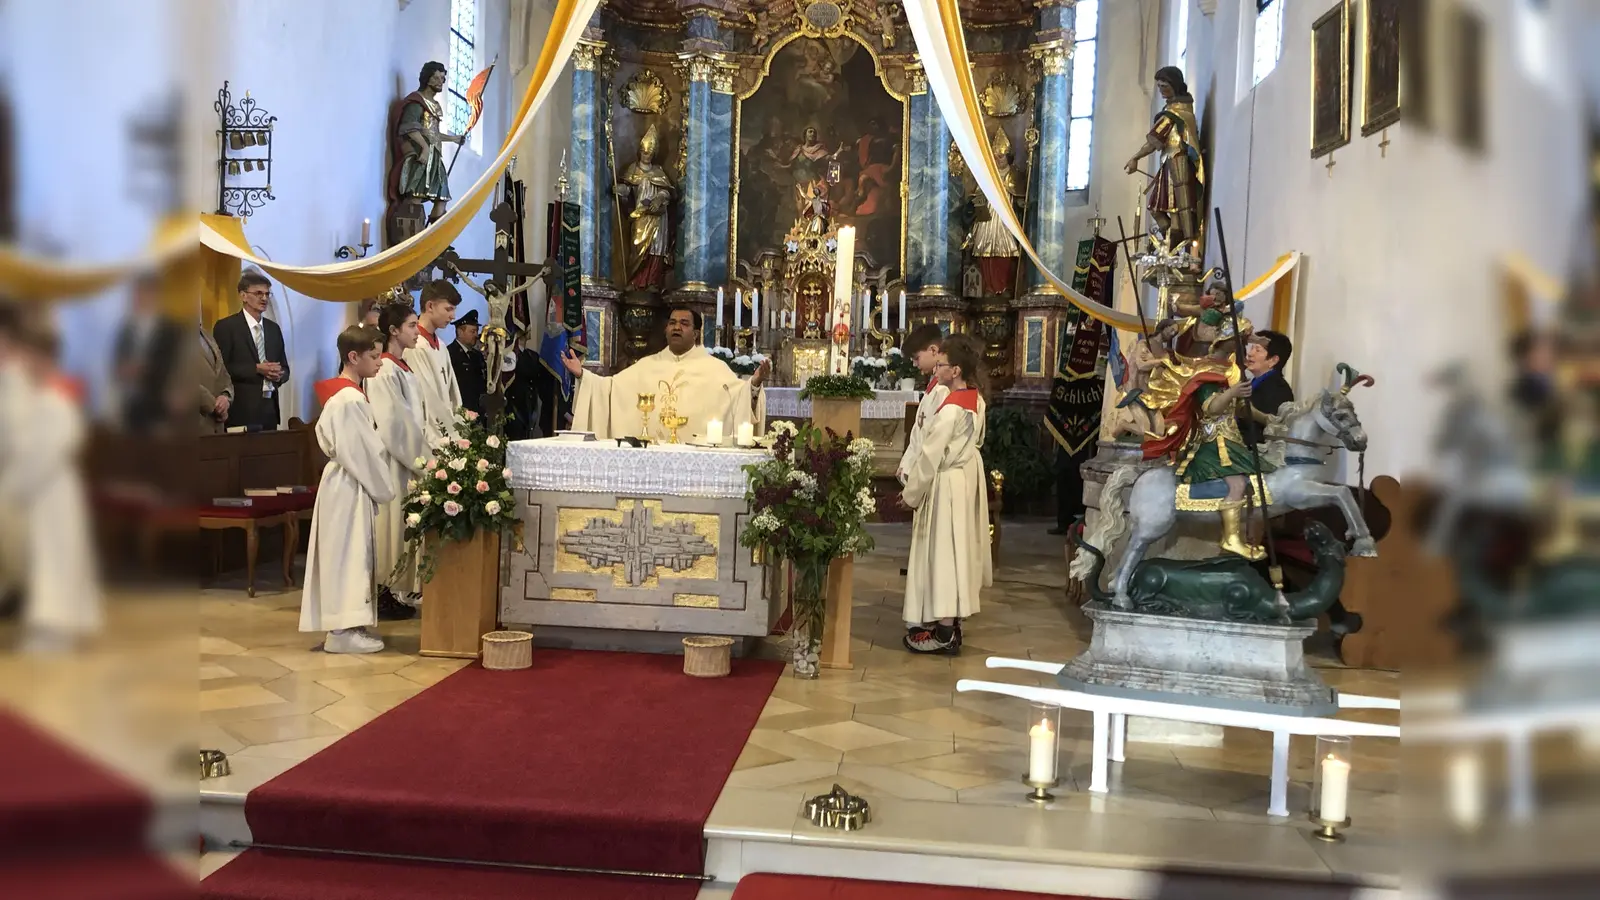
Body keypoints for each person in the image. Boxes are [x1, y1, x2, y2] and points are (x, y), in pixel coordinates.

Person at [0, 314, 101, 651]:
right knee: (33, 562)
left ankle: (54, 629)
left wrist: (13, 487)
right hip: (27, 489)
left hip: (51, 491)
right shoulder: (22, 390)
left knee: (54, 560)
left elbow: (47, 449)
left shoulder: (57, 400)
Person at [1140, 316, 1275, 559]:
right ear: (1227, 341)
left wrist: (1267, 419)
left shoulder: (1232, 369)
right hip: (1213, 439)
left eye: (1243, 341)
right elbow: (1210, 407)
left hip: (1231, 437)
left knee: (1257, 479)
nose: (1241, 347)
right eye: (1239, 341)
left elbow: (1240, 407)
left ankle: (1244, 534)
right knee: (1237, 483)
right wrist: (1233, 391)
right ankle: (1232, 539)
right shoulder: (1207, 369)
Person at [300, 326, 395, 654]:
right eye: (373, 356)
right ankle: (342, 631)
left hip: (346, 483)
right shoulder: (349, 399)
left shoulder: (346, 395)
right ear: (353, 357)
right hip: (349, 485)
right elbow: (363, 454)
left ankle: (348, 625)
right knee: (347, 554)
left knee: (348, 553)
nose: (380, 363)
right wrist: (386, 489)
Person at [902, 334, 992, 654]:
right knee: (956, 555)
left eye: (941, 364)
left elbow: (929, 456)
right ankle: (948, 624)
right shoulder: (974, 399)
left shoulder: (952, 410)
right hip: (960, 480)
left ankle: (943, 633)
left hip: (943, 485)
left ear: (955, 370)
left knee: (942, 556)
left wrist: (911, 494)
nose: (935, 367)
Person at [563, 307, 769, 440]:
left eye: (684, 323)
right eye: (672, 323)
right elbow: (609, 390)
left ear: (696, 334)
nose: (676, 327)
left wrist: (754, 383)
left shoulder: (715, 369)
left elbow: (739, 397)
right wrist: (583, 375)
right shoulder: (647, 365)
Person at [368, 303, 428, 621]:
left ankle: (394, 589)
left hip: (409, 459)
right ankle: (382, 590)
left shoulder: (402, 367)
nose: (417, 331)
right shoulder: (384, 370)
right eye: (411, 326)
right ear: (393, 331)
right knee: (390, 526)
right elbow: (392, 423)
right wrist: (420, 458)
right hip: (395, 459)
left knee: (401, 528)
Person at [1124, 65, 1204, 249]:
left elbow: (1153, 142)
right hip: (1169, 162)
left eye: (1164, 86)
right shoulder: (1179, 109)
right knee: (1157, 207)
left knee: (1176, 207)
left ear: (1174, 85)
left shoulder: (1174, 113)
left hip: (1177, 162)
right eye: (1158, 86)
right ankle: (1170, 244)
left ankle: (1180, 246)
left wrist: (1135, 158)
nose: (1161, 90)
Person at [212, 270, 290, 430]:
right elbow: (221, 370)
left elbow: (285, 368)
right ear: (243, 296)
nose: (264, 298)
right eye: (258, 293)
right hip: (241, 410)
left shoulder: (273, 329)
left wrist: (279, 374)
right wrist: (256, 369)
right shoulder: (226, 327)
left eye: (267, 294)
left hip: (269, 409)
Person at [113, 275, 183, 433]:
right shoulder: (126, 329)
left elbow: (173, 366)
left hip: (160, 407)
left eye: (146, 293)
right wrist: (123, 370)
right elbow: (116, 363)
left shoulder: (171, 330)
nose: (140, 298)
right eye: (138, 294)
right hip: (129, 406)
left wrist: (144, 369)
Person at [403, 280, 464, 444]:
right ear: (430, 306)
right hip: (432, 435)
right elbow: (428, 398)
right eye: (448, 309)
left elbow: (453, 392)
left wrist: (458, 426)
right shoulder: (415, 346)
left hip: (448, 430)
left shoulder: (441, 346)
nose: (453, 316)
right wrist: (447, 433)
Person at [1239, 329, 1295, 446]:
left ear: (1273, 360)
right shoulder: (1253, 382)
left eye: (1257, 350)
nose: (1250, 353)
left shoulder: (1278, 389)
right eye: (1252, 348)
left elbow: (1271, 431)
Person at [448, 308, 488, 417]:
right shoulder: (450, 353)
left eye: (476, 331)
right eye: (472, 331)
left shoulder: (477, 355)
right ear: (460, 331)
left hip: (478, 411)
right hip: (461, 412)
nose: (476, 335)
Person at [197, 318, 233, 435]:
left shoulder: (208, 336)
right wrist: (215, 406)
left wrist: (226, 397)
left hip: (217, 428)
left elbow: (223, 374)